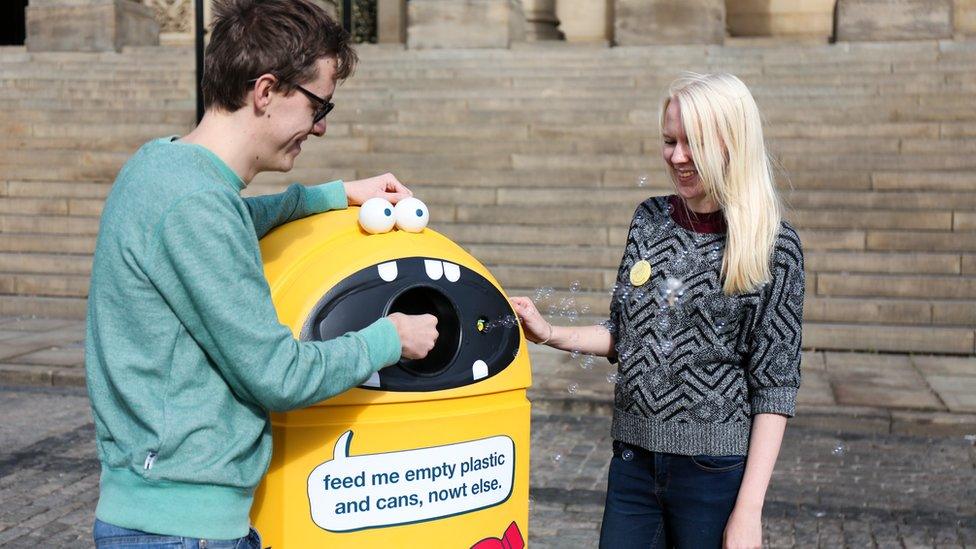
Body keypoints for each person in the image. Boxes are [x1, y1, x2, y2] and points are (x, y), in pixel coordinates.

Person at [85, 1, 439, 547]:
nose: (319, 128)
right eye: (319, 106)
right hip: (182, 529)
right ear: (266, 91)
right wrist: (390, 337)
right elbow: (278, 375)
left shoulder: (163, 166)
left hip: (156, 512)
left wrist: (333, 194)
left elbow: (228, 221)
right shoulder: (197, 208)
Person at [511, 72, 804, 549]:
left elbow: (775, 385)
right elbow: (625, 334)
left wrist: (748, 512)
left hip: (713, 474)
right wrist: (550, 333)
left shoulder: (774, 246)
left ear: (733, 142)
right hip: (632, 463)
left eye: (694, 142)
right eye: (670, 140)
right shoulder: (648, 219)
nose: (677, 156)